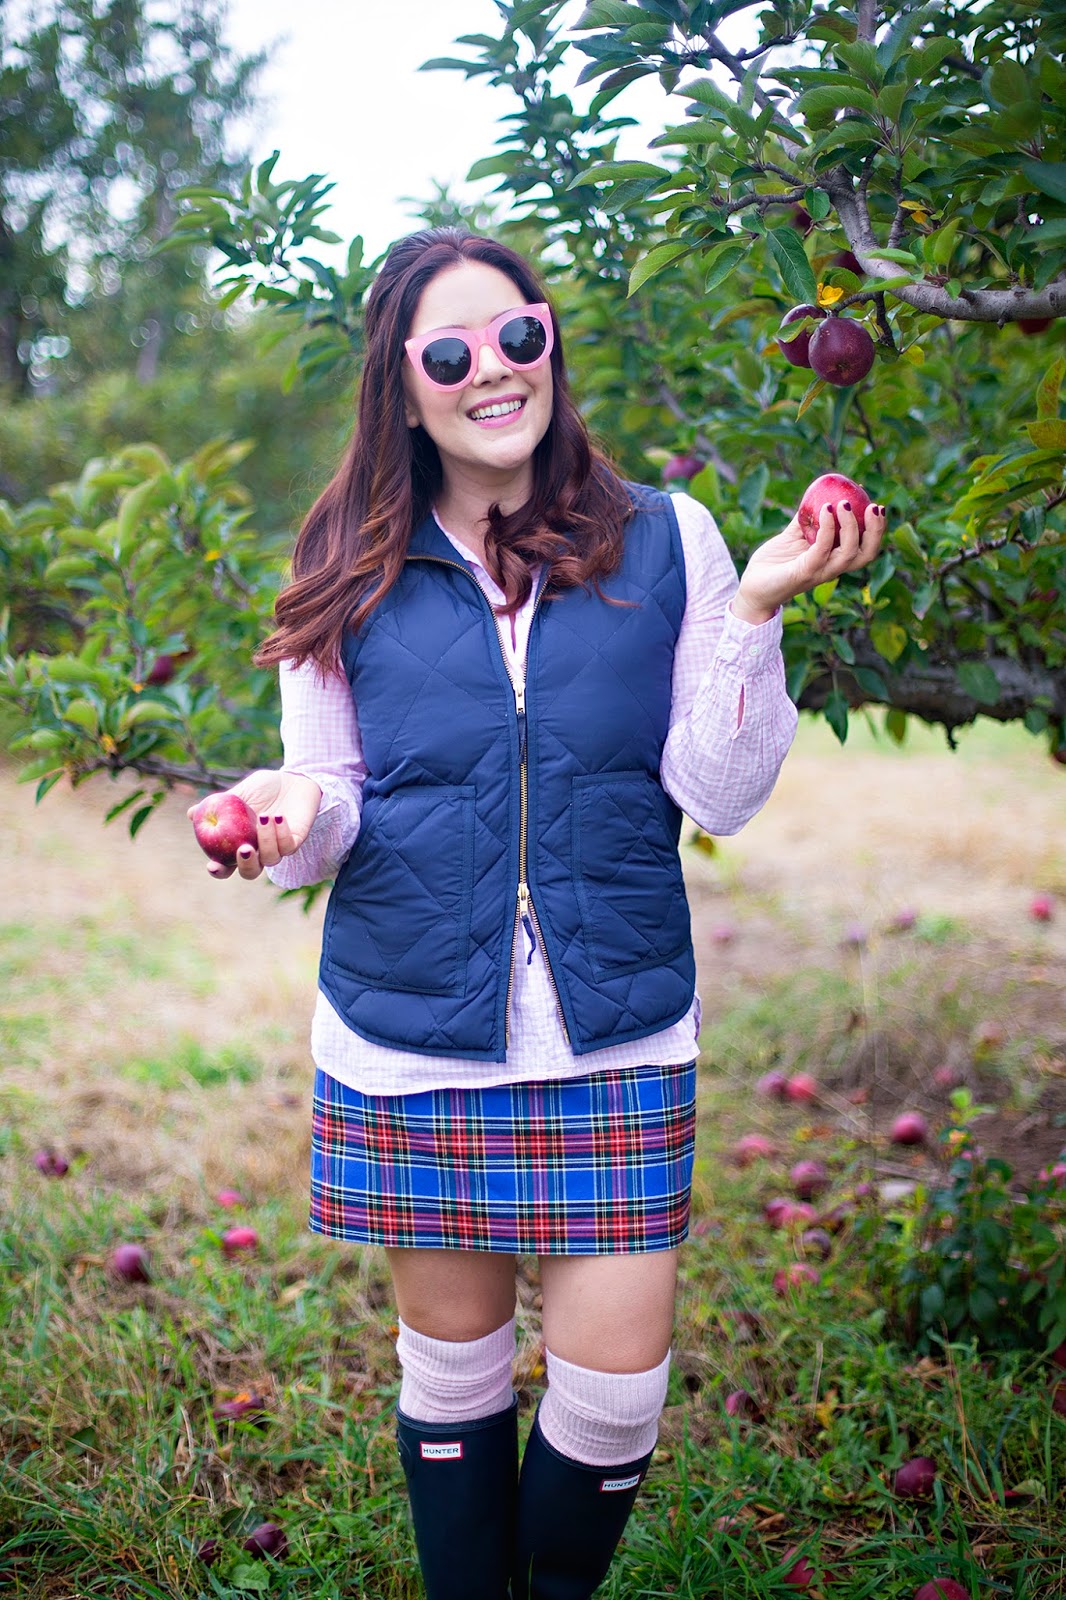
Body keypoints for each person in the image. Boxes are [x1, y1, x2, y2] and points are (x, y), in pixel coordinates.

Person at [189, 225, 886, 1600]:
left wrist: (753, 609)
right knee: (451, 1374)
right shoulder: (348, 553)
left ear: (548, 337)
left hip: (613, 1024)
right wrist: (283, 815)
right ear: (400, 386)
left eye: (517, 333)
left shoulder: (665, 538)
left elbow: (716, 791)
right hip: (409, 1026)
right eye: (448, 352)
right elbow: (331, 789)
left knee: (616, 1400)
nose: (492, 370)